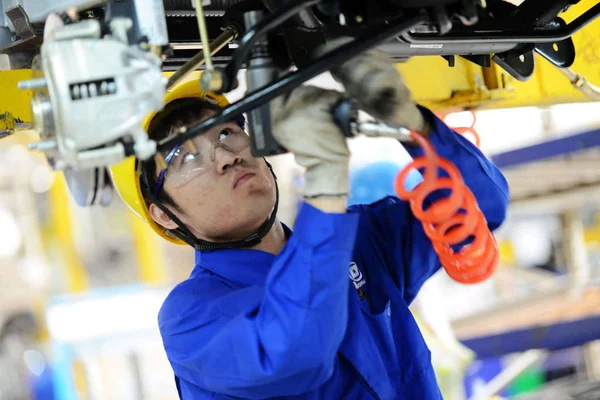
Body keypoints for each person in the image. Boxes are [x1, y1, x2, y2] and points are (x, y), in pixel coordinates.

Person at [110, 45, 509, 399]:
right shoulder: (190, 318)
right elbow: (295, 349)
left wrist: (413, 124)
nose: (226, 155)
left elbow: (482, 205)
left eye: (227, 132)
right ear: (164, 213)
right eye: (186, 157)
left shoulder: (359, 241)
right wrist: (325, 179)